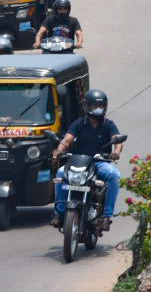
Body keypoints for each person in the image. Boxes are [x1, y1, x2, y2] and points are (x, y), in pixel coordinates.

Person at [50, 89, 122, 232]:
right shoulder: (78, 124)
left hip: (99, 163)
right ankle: (58, 213)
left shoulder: (109, 124)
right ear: (87, 107)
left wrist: (116, 152)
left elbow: (117, 140)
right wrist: (59, 150)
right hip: (78, 162)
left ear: (105, 107)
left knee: (114, 175)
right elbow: (67, 140)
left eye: (100, 106)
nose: (97, 109)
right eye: (94, 106)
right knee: (60, 174)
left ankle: (107, 216)